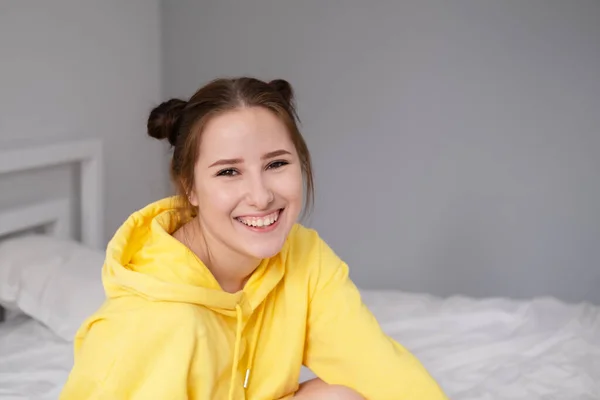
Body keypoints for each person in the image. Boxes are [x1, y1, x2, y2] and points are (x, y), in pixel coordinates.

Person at [60, 77, 447, 399]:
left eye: (276, 164)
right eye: (229, 172)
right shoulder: (156, 322)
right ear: (190, 187)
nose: (261, 196)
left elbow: (377, 369)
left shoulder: (303, 255)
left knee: (337, 397)